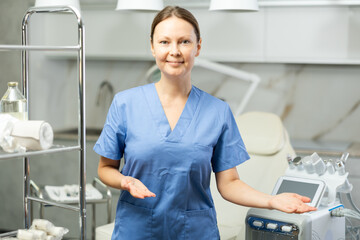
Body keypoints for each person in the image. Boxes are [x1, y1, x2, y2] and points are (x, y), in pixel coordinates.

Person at [94, 6, 316, 240]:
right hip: (137, 231)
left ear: (198, 46)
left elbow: (229, 183)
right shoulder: (125, 104)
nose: (174, 51)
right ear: (152, 46)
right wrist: (125, 181)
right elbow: (105, 168)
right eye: (164, 42)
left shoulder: (217, 112)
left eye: (184, 42)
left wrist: (271, 200)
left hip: (194, 232)